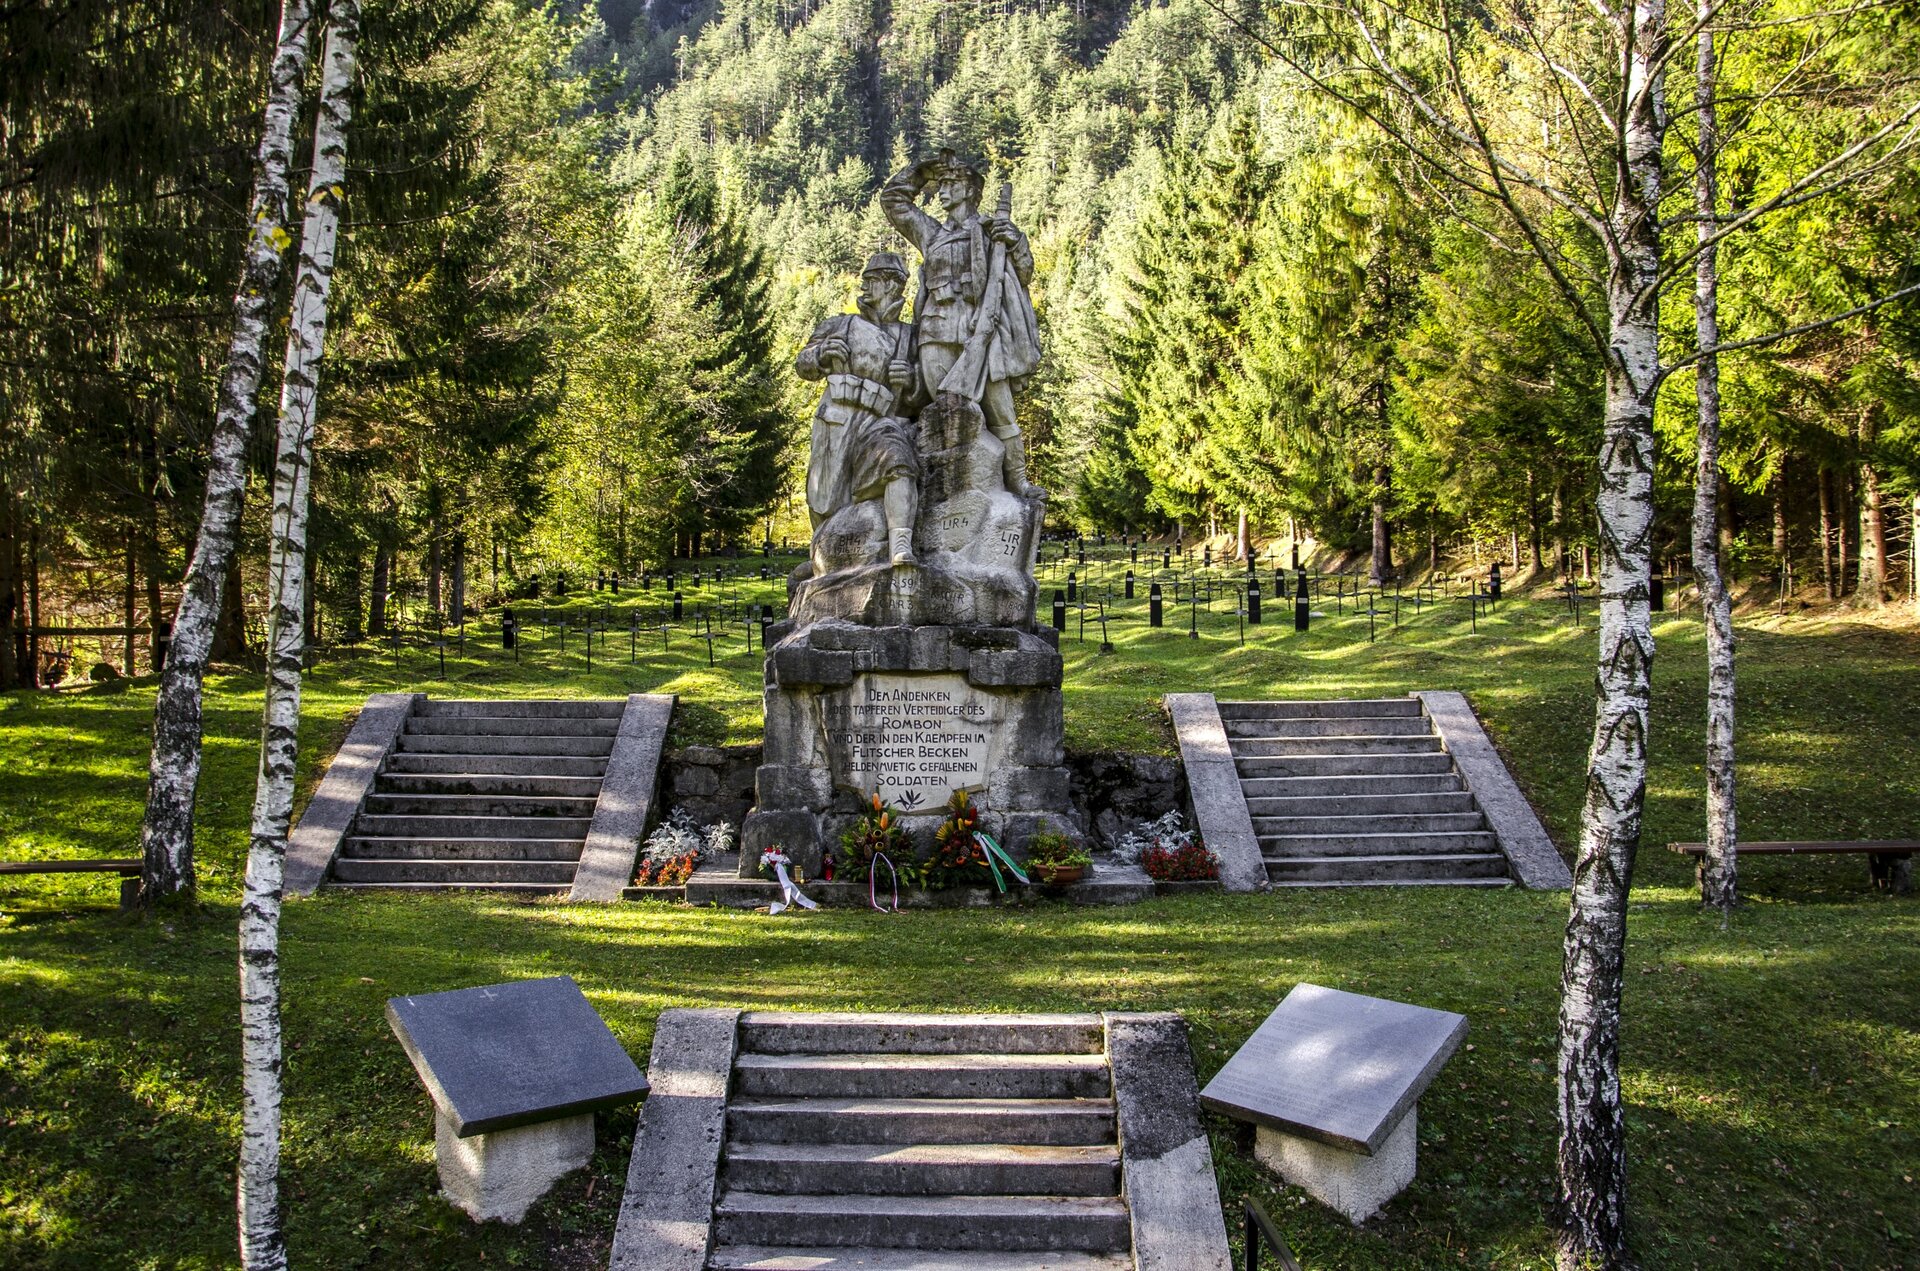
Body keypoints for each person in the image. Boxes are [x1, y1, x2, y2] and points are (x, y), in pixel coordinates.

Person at [880, 152, 1043, 498]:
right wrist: (923, 170)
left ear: (970, 190)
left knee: (1001, 413)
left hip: (981, 331)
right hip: (936, 331)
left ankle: (1018, 483)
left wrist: (1016, 241)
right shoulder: (932, 234)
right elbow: (893, 200)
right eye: (940, 184)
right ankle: (943, 496)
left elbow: (1024, 275)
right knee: (945, 415)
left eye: (950, 184)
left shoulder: (991, 232)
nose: (941, 190)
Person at [796, 252, 923, 566]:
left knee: (899, 464)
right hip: (837, 419)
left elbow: (923, 396)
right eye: (873, 279)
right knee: (825, 500)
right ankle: (821, 559)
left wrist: (911, 380)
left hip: (880, 422)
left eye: (883, 281)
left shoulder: (910, 336)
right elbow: (803, 364)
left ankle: (900, 545)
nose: (874, 286)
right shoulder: (840, 324)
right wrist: (822, 352)